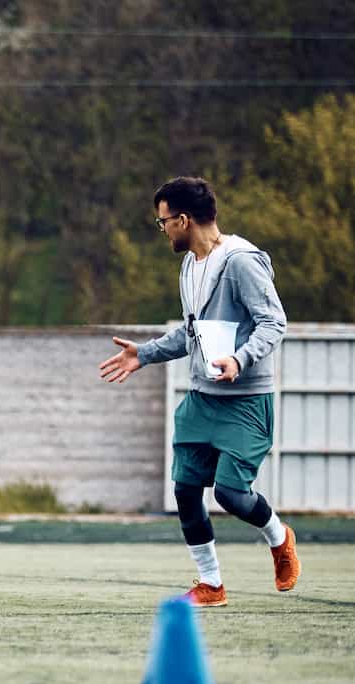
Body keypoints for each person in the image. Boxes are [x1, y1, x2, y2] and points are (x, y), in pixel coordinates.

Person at [99, 176, 298, 607]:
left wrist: (240, 359)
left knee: (229, 493)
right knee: (186, 490)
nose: (163, 230)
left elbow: (274, 322)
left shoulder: (242, 261)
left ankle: (279, 537)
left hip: (245, 402)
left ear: (184, 219)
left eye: (163, 221)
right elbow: (192, 335)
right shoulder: (189, 267)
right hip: (201, 399)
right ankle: (211, 584)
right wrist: (145, 354)